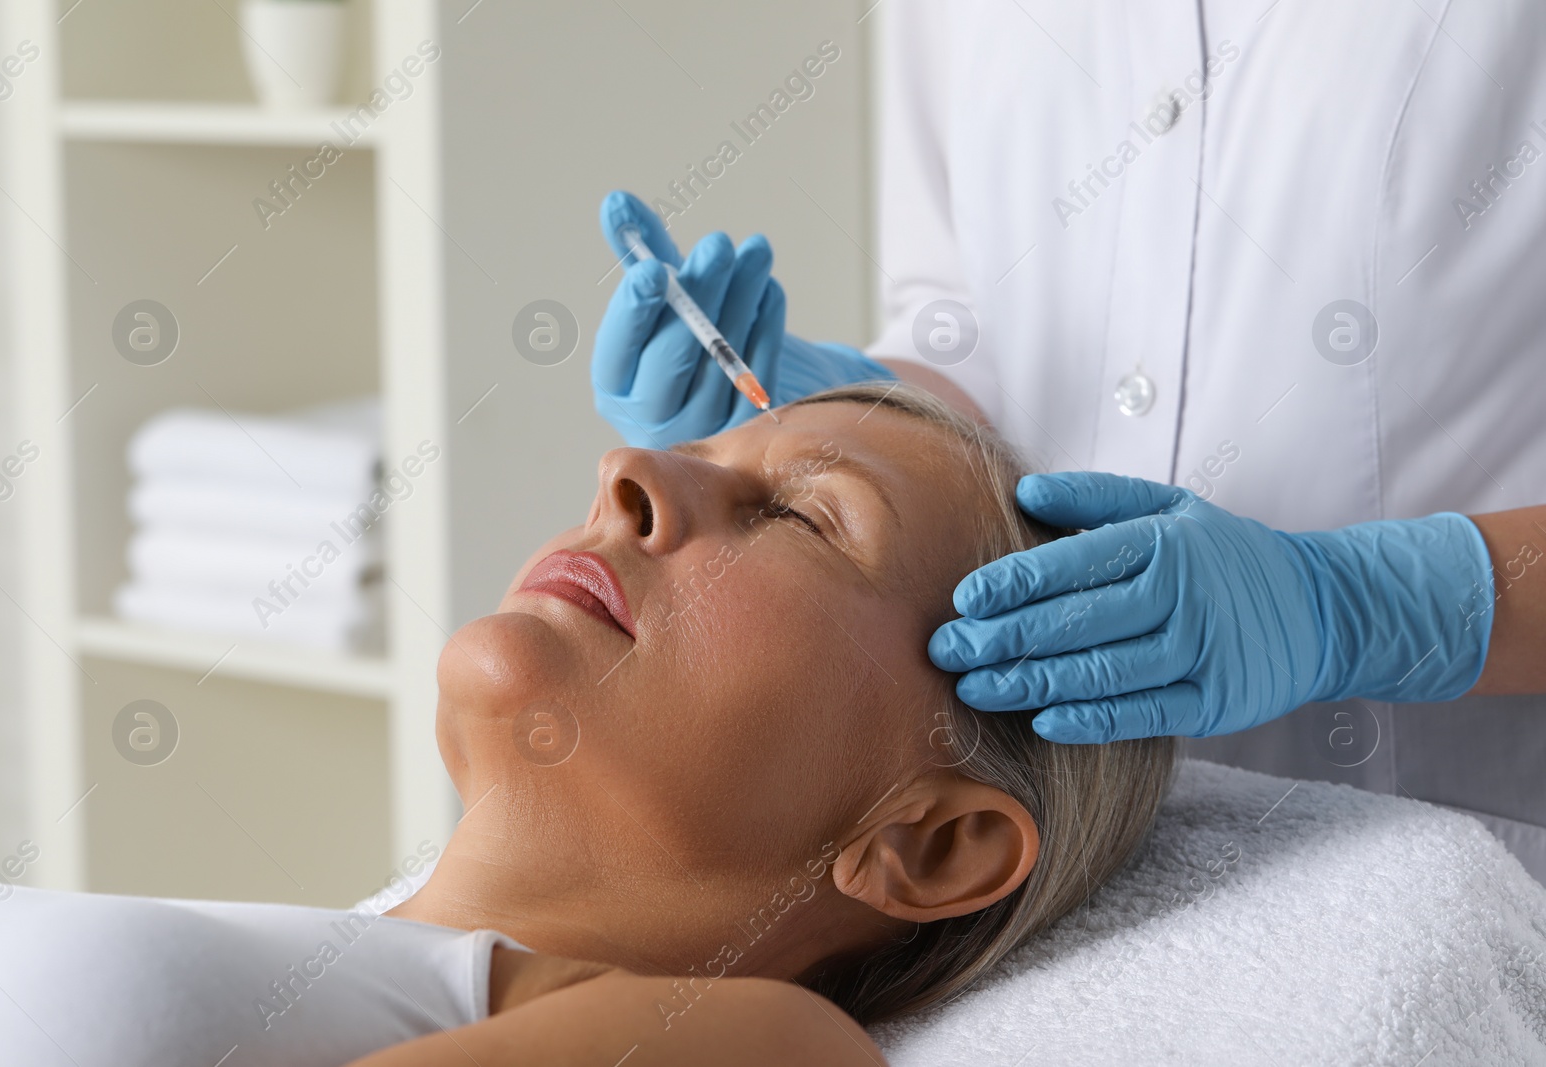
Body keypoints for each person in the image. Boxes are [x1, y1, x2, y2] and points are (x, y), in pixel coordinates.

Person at [589, 4, 1546, 881]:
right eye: (801, 516)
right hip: (1102, 873)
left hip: (1479, 855)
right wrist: (837, 410)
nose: (621, 482)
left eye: (807, 514)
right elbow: (972, 321)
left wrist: (1366, 605)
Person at [0, 384, 1173, 1067]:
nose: (627, 470)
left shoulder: (771, 1049)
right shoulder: (293, 957)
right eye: (697, 451)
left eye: (800, 516)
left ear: (926, 843)